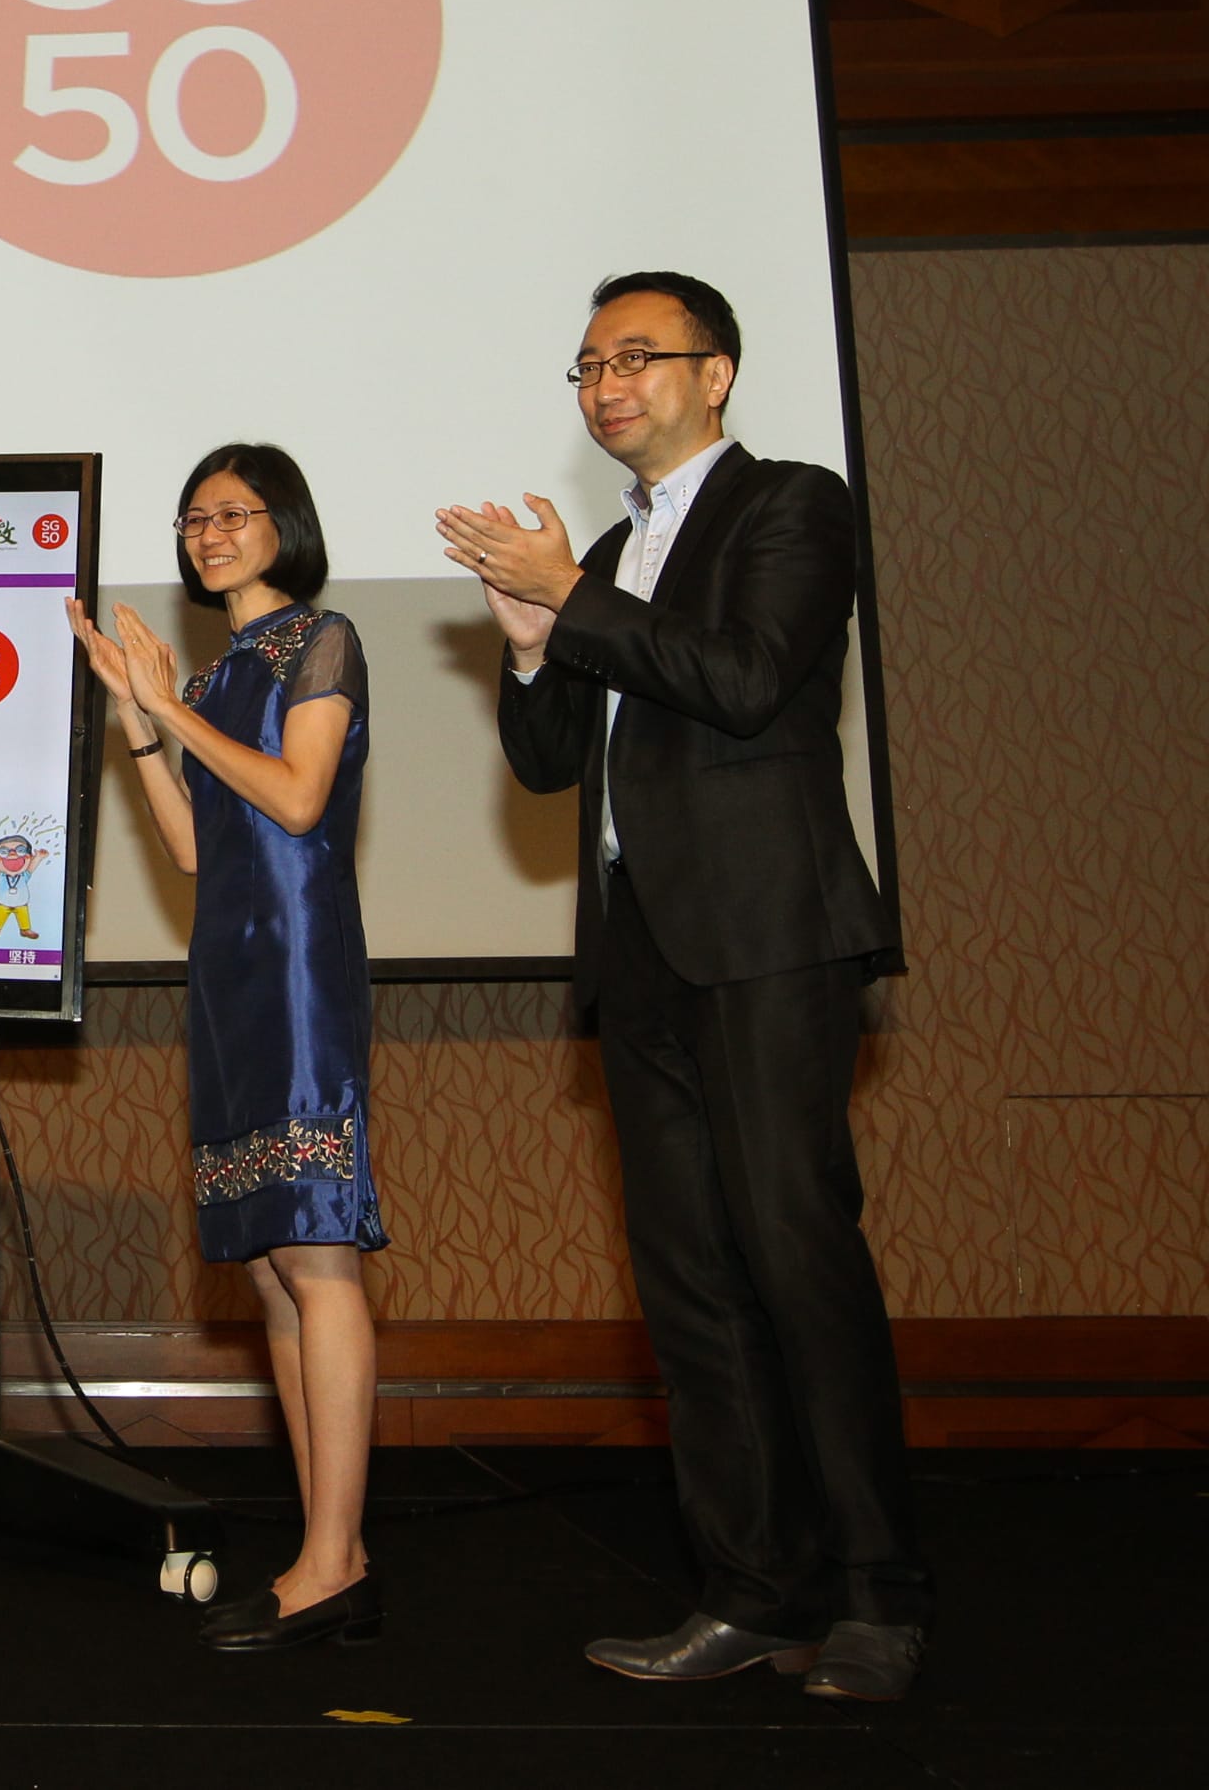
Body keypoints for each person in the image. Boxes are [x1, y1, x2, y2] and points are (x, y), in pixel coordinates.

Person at [436, 272, 926, 1702]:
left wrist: (571, 599)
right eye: (589, 365)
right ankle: (753, 1591)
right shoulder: (601, 550)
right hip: (640, 945)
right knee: (691, 1285)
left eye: (636, 358)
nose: (606, 385)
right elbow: (548, 766)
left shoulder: (792, 506)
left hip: (768, 935)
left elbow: (750, 678)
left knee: (795, 1256)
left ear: (716, 376)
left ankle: (879, 1597)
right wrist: (531, 644)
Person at [68, 443, 386, 1653]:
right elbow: (195, 850)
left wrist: (172, 715)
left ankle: (331, 1559)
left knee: (317, 1250)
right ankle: (332, 1550)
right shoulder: (207, 677)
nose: (208, 533)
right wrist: (140, 723)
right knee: (265, 1267)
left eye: (231, 513)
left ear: (282, 523)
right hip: (226, 973)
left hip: (298, 967)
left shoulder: (323, 641)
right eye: (192, 518)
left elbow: (298, 798)